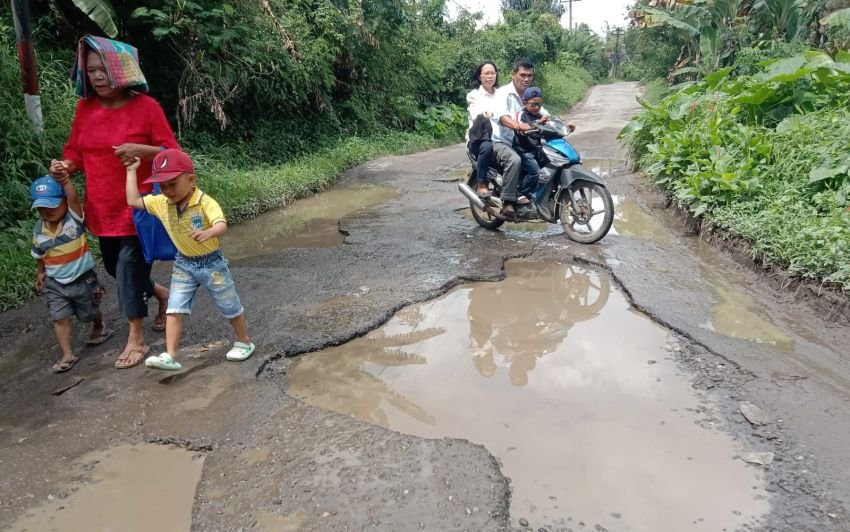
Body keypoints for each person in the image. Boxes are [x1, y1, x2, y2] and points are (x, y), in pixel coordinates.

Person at [49, 36, 178, 369]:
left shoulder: (147, 108)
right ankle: (161, 295)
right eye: (91, 70)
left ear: (123, 71)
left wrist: (141, 150)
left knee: (126, 268)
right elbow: (75, 150)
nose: (97, 76)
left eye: (104, 69)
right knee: (114, 268)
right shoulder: (85, 109)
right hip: (101, 209)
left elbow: (172, 154)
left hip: (140, 207)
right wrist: (66, 166)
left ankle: (136, 337)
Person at [125, 149, 256, 371]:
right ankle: (170, 355)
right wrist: (131, 171)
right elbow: (133, 200)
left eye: (172, 184)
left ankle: (244, 341)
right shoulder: (161, 203)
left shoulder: (205, 202)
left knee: (229, 304)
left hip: (212, 263)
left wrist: (209, 233)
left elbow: (221, 224)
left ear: (191, 179)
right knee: (174, 308)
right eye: (162, 186)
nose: (167, 191)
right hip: (184, 264)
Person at [30, 175, 113, 373]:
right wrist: (41, 273)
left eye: (52, 205)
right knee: (59, 318)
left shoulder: (74, 220)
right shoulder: (38, 231)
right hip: (55, 283)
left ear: (65, 202)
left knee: (89, 312)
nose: (47, 211)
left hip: (82, 279)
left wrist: (65, 180)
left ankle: (99, 324)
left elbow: (74, 198)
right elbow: (39, 255)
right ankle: (67, 354)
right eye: (41, 208)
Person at [491, 59, 550, 218]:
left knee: (546, 157)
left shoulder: (531, 95)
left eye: (529, 75)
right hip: (500, 141)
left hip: (524, 143)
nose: (526, 79)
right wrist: (518, 126)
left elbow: (545, 115)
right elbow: (503, 117)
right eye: (522, 75)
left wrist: (563, 124)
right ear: (513, 74)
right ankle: (510, 201)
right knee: (515, 160)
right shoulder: (503, 93)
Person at [466, 62, 499, 198]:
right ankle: (482, 183)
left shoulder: (501, 94)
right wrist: (485, 114)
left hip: (499, 136)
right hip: (479, 138)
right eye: (486, 73)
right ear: (480, 77)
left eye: (492, 73)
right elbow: (475, 112)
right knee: (486, 146)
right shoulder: (473, 95)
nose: (490, 76)